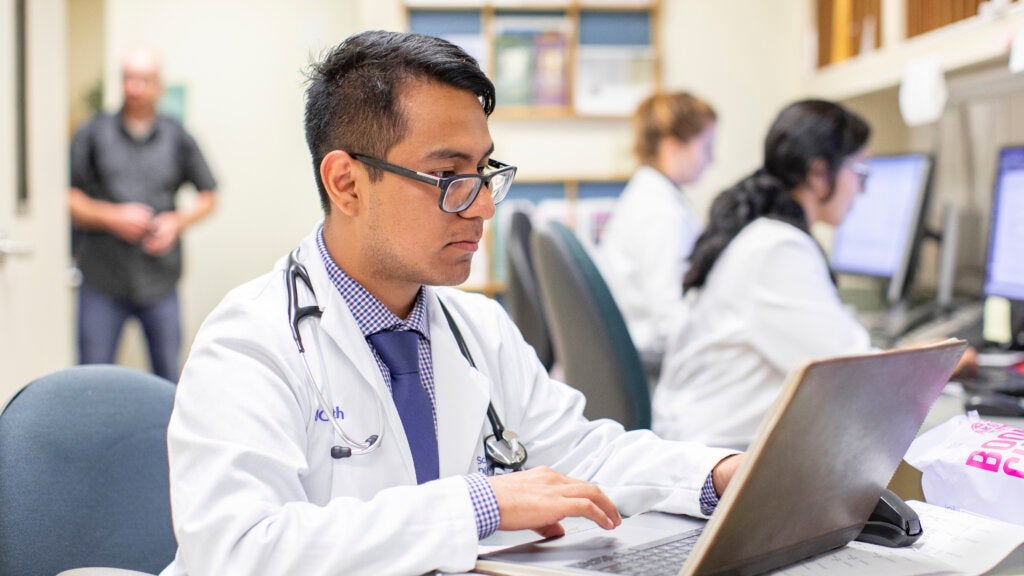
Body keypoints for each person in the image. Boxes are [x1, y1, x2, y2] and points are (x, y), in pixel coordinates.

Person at [159, 31, 741, 576]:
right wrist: (480, 504)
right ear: (347, 183)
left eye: (484, 171)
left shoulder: (478, 327)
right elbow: (234, 551)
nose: (483, 206)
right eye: (447, 175)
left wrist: (716, 476)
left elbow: (584, 456)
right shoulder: (248, 341)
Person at [652, 99, 973, 451]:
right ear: (819, 174)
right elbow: (860, 382)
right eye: (860, 173)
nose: (862, 189)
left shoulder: (761, 234)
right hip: (715, 463)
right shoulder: (776, 250)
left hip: (706, 447)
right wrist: (944, 359)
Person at [68, 48, 217, 382]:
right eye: (128, 79)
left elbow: (210, 195)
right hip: (102, 279)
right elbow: (69, 198)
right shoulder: (93, 133)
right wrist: (112, 217)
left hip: (159, 281)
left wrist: (175, 223)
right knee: (91, 380)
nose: (134, 87)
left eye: (144, 80)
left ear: (159, 86)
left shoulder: (177, 136)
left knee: (167, 381)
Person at [598, 91, 716, 358]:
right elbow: (670, 323)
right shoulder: (660, 213)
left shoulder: (652, 197)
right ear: (672, 147)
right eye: (706, 147)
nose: (712, 159)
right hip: (652, 364)